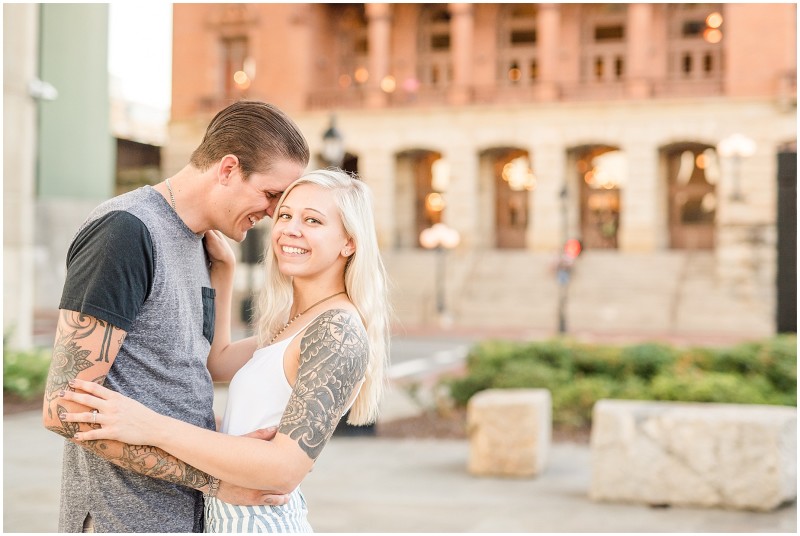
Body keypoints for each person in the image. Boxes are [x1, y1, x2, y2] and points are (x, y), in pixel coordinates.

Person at [60, 169, 391, 532]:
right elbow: (217, 362)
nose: (290, 229)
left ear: (349, 242)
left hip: (260, 521)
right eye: (285, 215)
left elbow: (283, 469)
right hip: (226, 518)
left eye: (312, 220)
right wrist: (224, 273)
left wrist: (149, 426)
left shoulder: (336, 329)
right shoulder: (299, 322)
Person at [42, 100, 310, 533]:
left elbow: (201, 366)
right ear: (227, 169)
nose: (274, 213)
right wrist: (216, 481)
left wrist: (313, 321)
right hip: (123, 520)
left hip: (185, 518)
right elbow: (63, 410)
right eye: (271, 194)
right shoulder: (126, 232)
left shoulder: (203, 243)